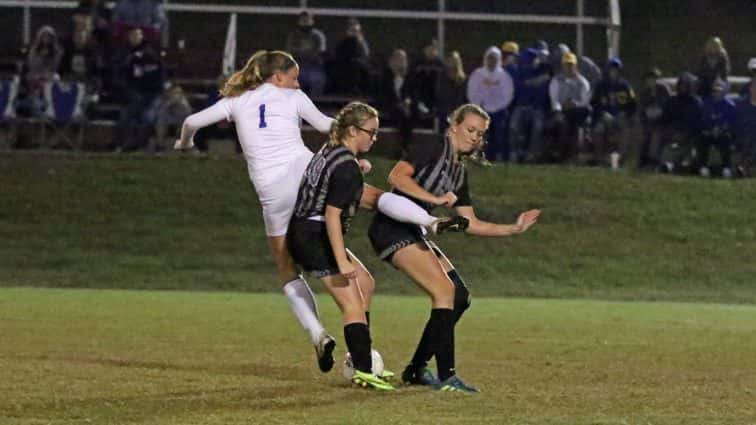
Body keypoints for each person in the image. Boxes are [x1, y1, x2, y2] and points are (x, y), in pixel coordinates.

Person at [174, 50, 456, 374]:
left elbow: (191, 122)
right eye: (293, 76)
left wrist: (185, 144)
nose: (297, 82)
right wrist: (348, 151)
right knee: (372, 197)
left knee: (287, 270)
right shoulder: (291, 95)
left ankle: (318, 334)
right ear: (277, 77)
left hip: (271, 191)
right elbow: (326, 124)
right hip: (304, 169)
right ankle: (429, 219)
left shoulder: (236, 101)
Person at [368, 103, 540, 392]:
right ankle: (447, 377)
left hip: (414, 229)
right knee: (444, 292)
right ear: (454, 125)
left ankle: (416, 369)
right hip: (391, 227)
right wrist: (433, 200)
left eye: (480, 133)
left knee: (459, 296)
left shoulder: (458, 172)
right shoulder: (434, 145)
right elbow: (396, 177)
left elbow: (469, 222)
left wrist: (513, 228)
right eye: (470, 129)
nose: (474, 137)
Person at [287, 102, 457, 390]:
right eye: (371, 132)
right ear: (353, 130)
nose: (375, 138)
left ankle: (361, 357)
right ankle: (363, 369)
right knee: (352, 304)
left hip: (307, 229)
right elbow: (332, 215)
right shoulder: (346, 166)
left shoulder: (330, 152)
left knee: (365, 282)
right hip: (314, 235)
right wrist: (340, 260)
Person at [467, 46, 514, 162]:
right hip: (481, 111)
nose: (492, 61)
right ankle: (480, 157)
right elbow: (471, 92)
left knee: (500, 132)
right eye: (490, 58)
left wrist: (496, 107)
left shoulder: (504, 76)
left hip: (499, 111)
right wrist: (479, 106)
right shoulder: (477, 74)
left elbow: (508, 95)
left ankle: (501, 158)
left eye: (494, 59)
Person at [590, 57, 637, 168]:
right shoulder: (600, 85)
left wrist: (625, 113)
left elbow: (633, 104)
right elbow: (593, 103)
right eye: (611, 69)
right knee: (598, 130)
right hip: (604, 116)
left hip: (620, 116)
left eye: (616, 69)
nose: (613, 71)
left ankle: (620, 158)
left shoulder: (625, 86)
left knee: (625, 129)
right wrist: (602, 113)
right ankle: (600, 159)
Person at [548, 53, 591, 163]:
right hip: (561, 111)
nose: (569, 67)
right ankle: (561, 155)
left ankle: (575, 156)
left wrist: (574, 104)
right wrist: (559, 108)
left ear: (575, 66)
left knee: (578, 128)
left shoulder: (583, 82)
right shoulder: (556, 81)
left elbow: (585, 101)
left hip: (578, 113)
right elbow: (554, 99)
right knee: (562, 124)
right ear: (562, 66)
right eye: (566, 65)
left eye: (571, 65)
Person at [696, 78, 737, 178]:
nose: (717, 92)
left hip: (723, 133)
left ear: (723, 91)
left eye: (719, 90)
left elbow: (731, 123)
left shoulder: (730, 105)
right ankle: (703, 167)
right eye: (715, 90)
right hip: (709, 132)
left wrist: (721, 130)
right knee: (702, 138)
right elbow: (703, 120)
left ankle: (726, 168)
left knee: (726, 139)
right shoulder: (706, 103)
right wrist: (710, 130)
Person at [285, 11, 327, 96]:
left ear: (312, 21)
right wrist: (304, 53)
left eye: (307, 20)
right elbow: (290, 51)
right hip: (298, 66)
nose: (305, 22)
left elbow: (320, 51)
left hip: (314, 66)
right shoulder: (294, 35)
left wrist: (304, 53)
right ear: (299, 21)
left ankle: (315, 105)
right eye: (303, 20)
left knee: (317, 80)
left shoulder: (318, 36)